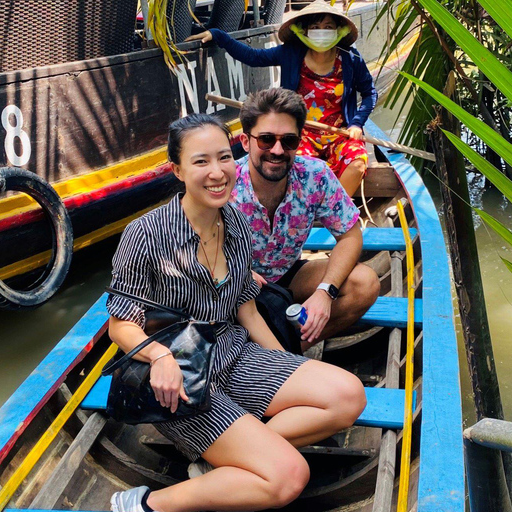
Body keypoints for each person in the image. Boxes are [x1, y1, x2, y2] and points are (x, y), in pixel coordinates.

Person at [107, 113, 366, 512]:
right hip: (183, 379)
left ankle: (230, 457)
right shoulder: (145, 234)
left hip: (235, 354)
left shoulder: (236, 225)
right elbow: (121, 323)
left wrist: (283, 363)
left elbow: (245, 307)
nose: (217, 172)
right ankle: (146, 504)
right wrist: (159, 356)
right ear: (177, 170)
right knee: (288, 477)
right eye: (200, 162)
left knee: (348, 396)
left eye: (224, 158)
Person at [230, 88, 380, 351]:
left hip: (288, 274)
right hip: (236, 284)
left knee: (365, 283)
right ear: (245, 141)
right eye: (266, 139)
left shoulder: (315, 175)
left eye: (288, 141)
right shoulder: (225, 182)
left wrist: (325, 291)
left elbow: (350, 235)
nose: (277, 150)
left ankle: (290, 348)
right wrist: (237, 274)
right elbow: (194, 248)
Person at [188, 0, 378, 196]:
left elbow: (370, 93)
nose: (322, 32)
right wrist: (218, 35)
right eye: (315, 27)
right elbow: (253, 57)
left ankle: (337, 210)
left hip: (341, 134)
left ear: (339, 30)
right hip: (299, 135)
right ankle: (306, 209)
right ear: (304, 31)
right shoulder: (291, 53)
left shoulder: (351, 58)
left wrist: (356, 123)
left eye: (328, 27)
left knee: (356, 163)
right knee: (295, 168)